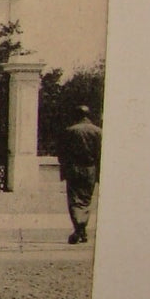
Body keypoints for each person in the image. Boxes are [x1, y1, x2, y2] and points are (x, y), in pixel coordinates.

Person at [58, 105, 103, 245]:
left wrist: (64, 169)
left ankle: (79, 228)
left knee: (75, 199)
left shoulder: (69, 131)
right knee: (86, 199)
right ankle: (82, 229)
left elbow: (62, 153)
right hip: (90, 169)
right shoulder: (98, 131)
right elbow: (101, 153)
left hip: (74, 168)